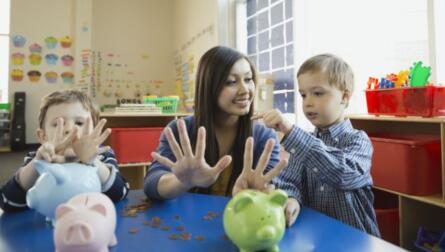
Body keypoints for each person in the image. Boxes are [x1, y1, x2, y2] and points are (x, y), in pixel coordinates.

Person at [254, 54, 380, 236]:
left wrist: (290, 132)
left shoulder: (358, 140)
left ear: (344, 97)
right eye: (303, 95)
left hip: (356, 239)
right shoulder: (302, 142)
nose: (308, 102)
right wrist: (292, 199)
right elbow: (291, 181)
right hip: (317, 237)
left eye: (318, 93)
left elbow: (342, 174)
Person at [144, 46, 287, 200]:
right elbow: (151, 184)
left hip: (238, 221)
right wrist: (182, 182)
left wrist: (257, 195)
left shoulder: (264, 137)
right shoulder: (181, 131)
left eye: (248, 79)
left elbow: (271, 188)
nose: (245, 90)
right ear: (209, 86)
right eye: (231, 82)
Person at [0, 89, 129, 212]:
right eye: (57, 124)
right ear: (43, 136)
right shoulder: (38, 159)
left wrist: (91, 161)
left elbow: (120, 194)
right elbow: (7, 202)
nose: (69, 129)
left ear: (94, 131)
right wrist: (38, 163)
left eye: (79, 123)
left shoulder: (102, 156)